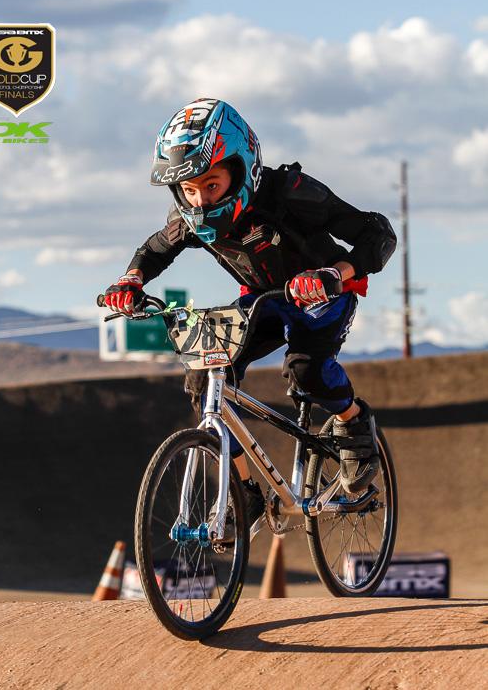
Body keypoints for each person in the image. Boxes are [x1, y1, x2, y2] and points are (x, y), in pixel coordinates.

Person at [105, 98, 397, 534]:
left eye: (211, 184)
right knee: (204, 375)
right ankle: (244, 493)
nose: (200, 200)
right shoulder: (189, 216)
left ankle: (354, 421)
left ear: (241, 168)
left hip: (325, 295)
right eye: (188, 190)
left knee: (306, 370)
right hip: (264, 300)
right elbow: (155, 250)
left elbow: (378, 233)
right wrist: (130, 280)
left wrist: (336, 273)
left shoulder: (290, 192)